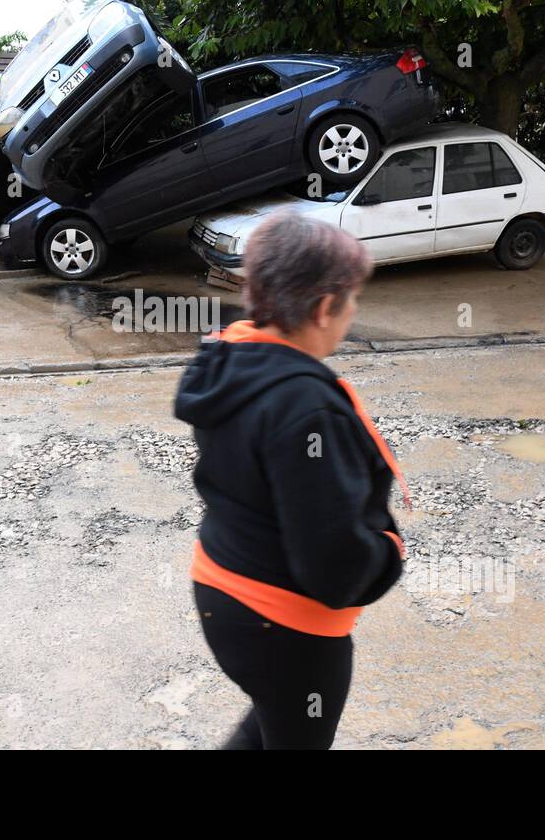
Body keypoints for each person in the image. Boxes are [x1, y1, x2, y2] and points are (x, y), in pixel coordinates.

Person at [174, 210, 408, 749]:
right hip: (285, 627)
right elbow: (332, 564)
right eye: (352, 300)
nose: (353, 312)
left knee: (269, 725)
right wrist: (388, 551)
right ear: (326, 308)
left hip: (220, 589)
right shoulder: (306, 408)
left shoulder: (232, 357)